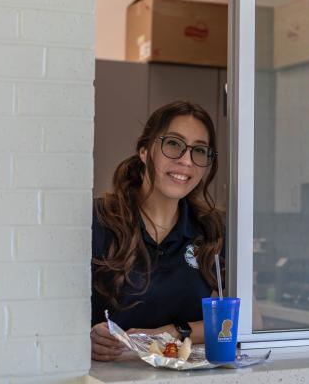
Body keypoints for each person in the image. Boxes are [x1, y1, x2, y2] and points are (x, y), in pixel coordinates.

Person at [90, 101, 224, 362]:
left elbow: (239, 322)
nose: (186, 161)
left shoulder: (211, 231)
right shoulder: (98, 220)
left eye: (199, 150)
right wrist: (86, 336)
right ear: (144, 150)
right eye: (173, 144)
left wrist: (172, 333)